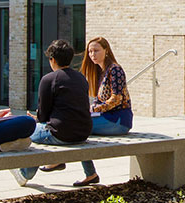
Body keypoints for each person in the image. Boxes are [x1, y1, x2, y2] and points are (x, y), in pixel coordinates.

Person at [39, 37, 134, 187]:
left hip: (118, 119)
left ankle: (58, 160)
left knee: (73, 124)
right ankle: (90, 173)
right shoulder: (100, 71)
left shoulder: (115, 69)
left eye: (96, 50)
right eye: (90, 51)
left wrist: (94, 109)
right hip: (104, 117)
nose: (92, 54)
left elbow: (117, 98)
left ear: (106, 50)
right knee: (76, 124)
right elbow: (98, 99)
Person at [10, 40, 94, 186]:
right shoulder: (81, 78)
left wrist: (36, 119)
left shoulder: (48, 79)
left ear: (52, 60)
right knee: (67, 124)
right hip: (83, 132)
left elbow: (43, 116)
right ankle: (83, 170)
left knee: (30, 131)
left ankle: (25, 173)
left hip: (61, 134)